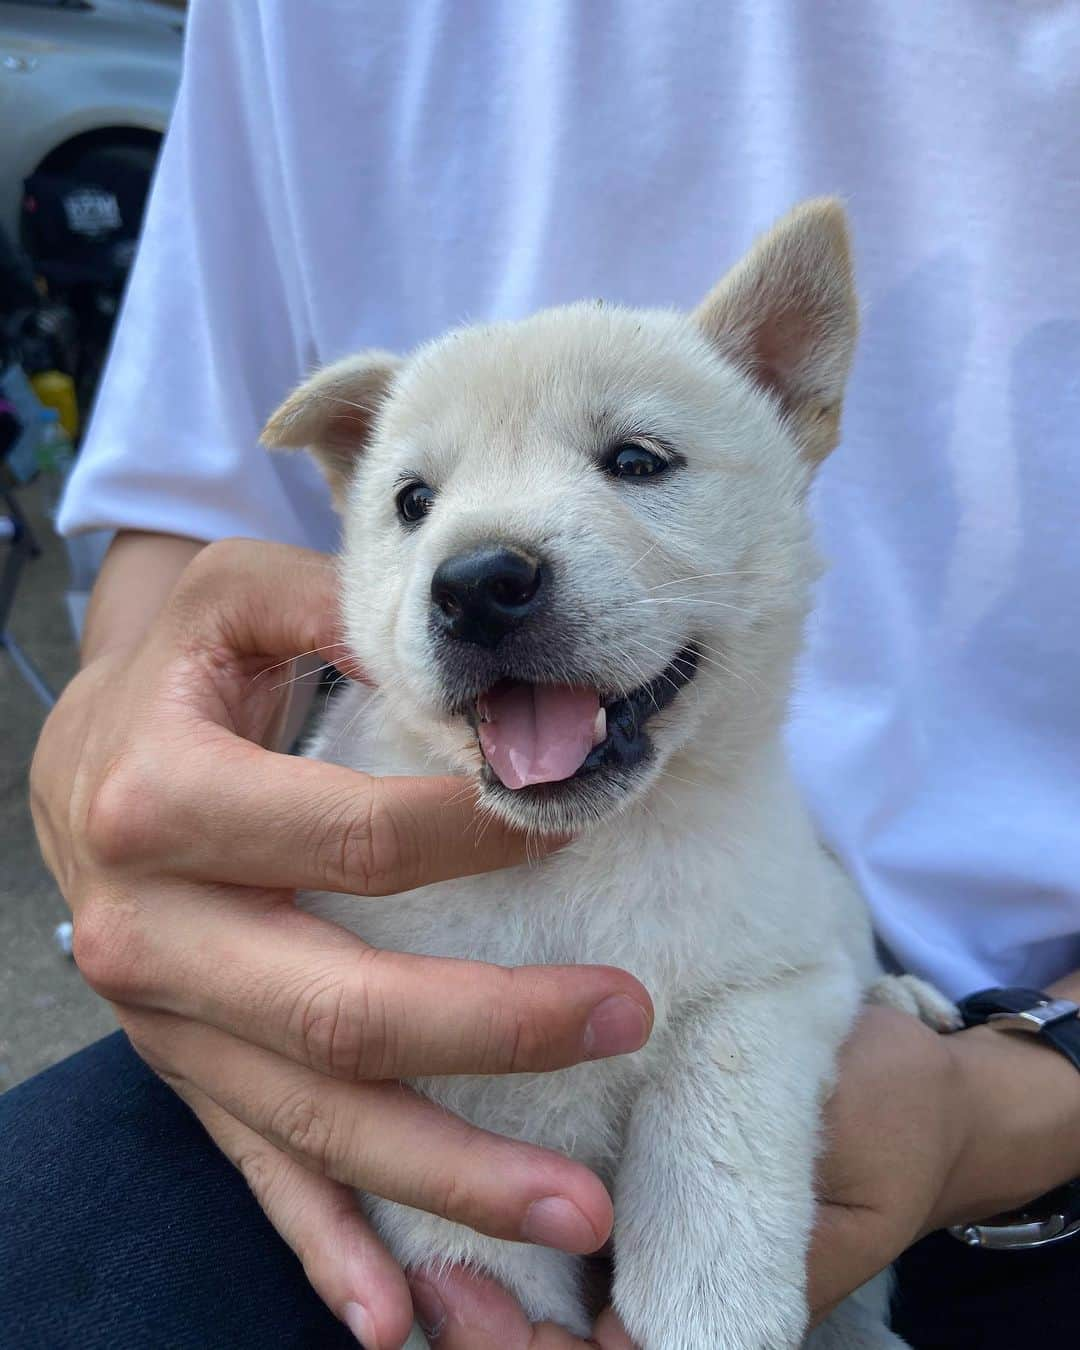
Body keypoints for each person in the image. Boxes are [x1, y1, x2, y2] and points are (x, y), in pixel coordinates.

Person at [6, 2, 1080, 1346]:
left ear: (789, 395)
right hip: (319, 1058)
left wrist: (1004, 1089)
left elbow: (777, 974)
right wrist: (113, 764)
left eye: (634, 459)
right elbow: (175, 534)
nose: (481, 561)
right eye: (410, 498)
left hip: (1021, 1061)